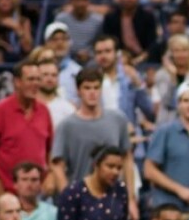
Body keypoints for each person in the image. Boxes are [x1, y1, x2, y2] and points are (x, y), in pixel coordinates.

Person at [51, 67, 134, 196]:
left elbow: (127, 158)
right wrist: (67, 198)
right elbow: (57, 166)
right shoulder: (66, 126)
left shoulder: (118, 119)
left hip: (113, 197)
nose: (92, 93)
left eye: (96, 88)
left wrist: (131, 198)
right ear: (78, 91)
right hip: (80, 197)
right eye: (87, 88)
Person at [0, 59, 51, 196]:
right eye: (30, 79)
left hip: (37, 192)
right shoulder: (0, 110)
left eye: (38, 79)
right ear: (17, 82)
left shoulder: (44, 110)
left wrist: (49, 176)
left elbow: (49, 149)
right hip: (7, 191)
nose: (35, 84)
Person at [144, 82, 189, 213]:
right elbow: (149, 170)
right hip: (165, 208)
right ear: (178, 104)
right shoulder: (165, 131)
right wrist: (180, 190)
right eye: (186, 100)